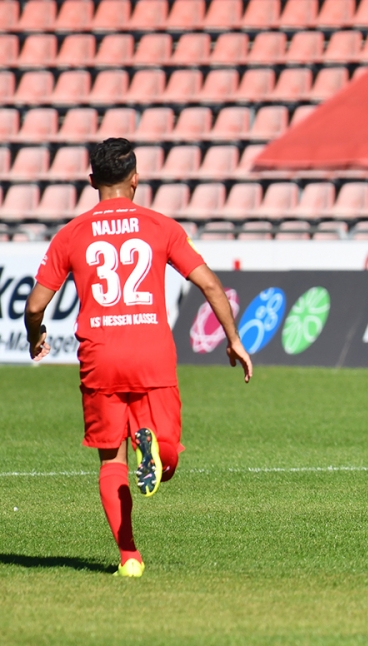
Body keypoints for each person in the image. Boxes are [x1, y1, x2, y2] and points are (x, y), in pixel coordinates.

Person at [24, 138, 252, 577]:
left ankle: (129, 556)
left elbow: (35, 306)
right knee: (169, 455)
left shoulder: (70, 234)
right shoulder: (160, 226)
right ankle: (156, 448)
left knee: (111, 460)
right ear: (135, 179)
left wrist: (37, 336)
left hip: (99, 354)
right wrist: (233, 339)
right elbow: (209, 285)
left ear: (91, 181)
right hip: (152, 352)